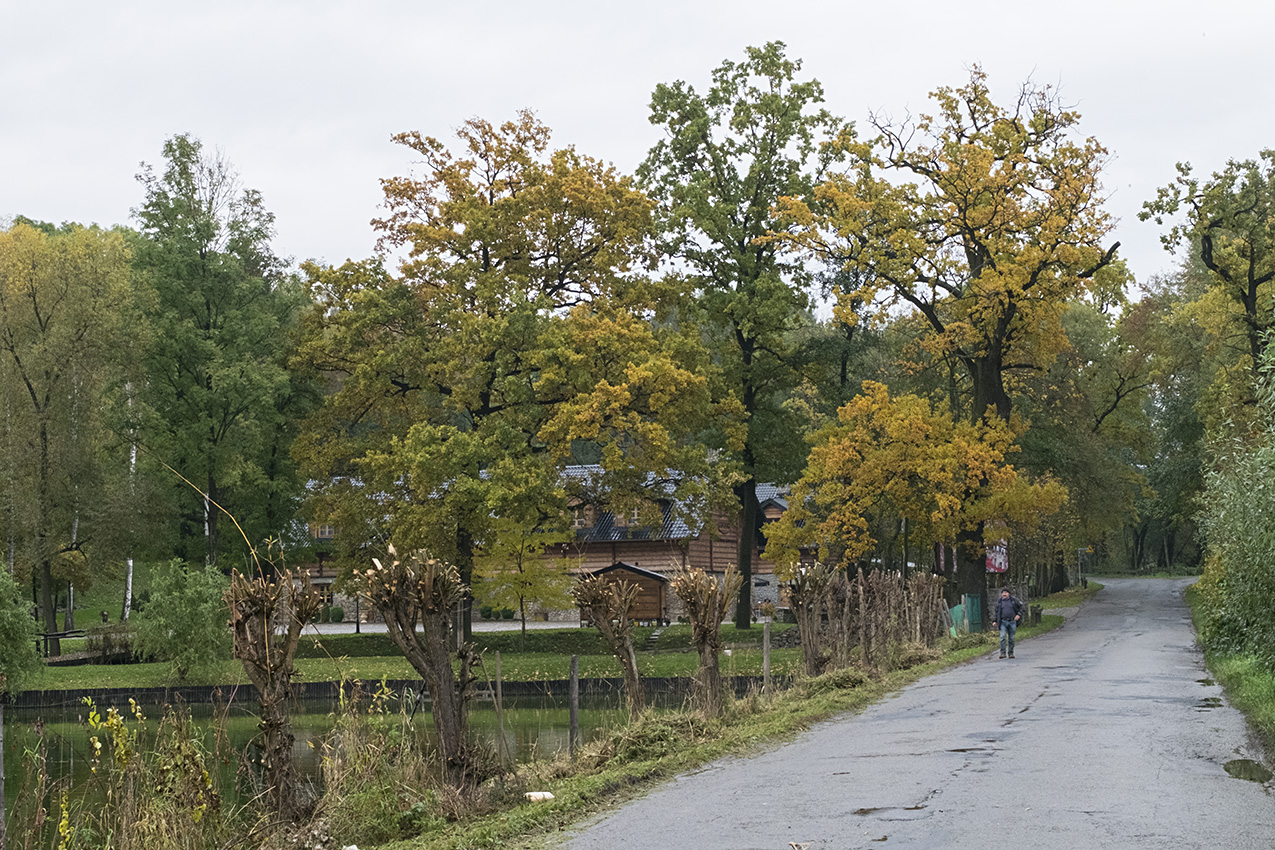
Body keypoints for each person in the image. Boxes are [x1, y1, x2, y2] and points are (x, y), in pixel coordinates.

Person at [992, 589, 1023, 659]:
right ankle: (1002, 653)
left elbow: (1021, 607)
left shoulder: (1014, 601)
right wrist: (994, 621)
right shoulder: (999, 602)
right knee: (1002, 637)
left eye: (1005, 592)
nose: (1004, 594)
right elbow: (996, 612)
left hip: (1012, 621)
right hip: (1003, 622)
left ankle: (1011, 653)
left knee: (1011, 638)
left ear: (1009, 593)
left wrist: (1018, 615)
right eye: (1003, 593)